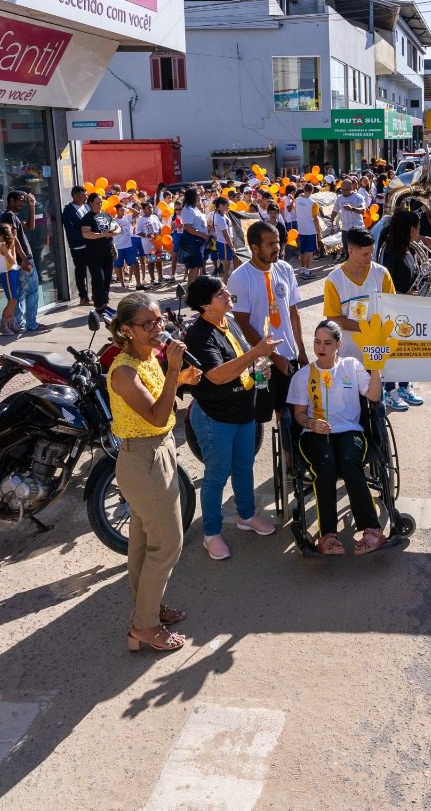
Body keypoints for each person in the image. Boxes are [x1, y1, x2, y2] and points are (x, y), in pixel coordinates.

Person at [106, 292, 201, 652]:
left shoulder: (148, 359)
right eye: (148, 324)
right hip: (142, 461)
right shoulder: (125, 371)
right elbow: (158, 417)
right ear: (127, 330)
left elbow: (160, 400)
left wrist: (181, 379)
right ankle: (144, 627)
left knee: (144, 544)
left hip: (156, 453)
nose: (158, 328)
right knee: (169, 543)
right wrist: (175, 370)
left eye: (160, 320)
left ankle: (147, 609)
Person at [183, 276, 279, 561]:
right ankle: (211, 534)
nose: (227, 293)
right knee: (216, 475)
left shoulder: (229, 322)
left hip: (243, 411)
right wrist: (256, 353)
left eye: (225, 289)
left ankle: (246, 516)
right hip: (215, 416)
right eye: (220, 292)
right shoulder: (199, 335)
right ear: (205, 305)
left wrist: (260, 366)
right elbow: (217, 375)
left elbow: (243, 362)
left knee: (244, 467)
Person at [287, 320, 387, 555]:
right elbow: (299, 415)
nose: (321, 347)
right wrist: (312, 423)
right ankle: (328, 535)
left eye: (328, 343)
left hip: (350, 431)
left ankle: (373, 530)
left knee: (349, 462)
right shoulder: (303, 376)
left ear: (339, 344)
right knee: (326, 464)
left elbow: (373, 395)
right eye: (317, 342)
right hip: (314, 434)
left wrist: (376, 366)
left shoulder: (351, 366)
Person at [230, 221, 308, 435]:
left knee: (291, 415)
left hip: (288, 356)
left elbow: (293, 313)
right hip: (260, 361)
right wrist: (274, 357)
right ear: (254, 248)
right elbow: (243, 324)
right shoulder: (239, 278)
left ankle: (289, 463)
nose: (277, 248)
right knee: (257, 418)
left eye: (278, 242)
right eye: (270, 244)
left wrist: (300, 351)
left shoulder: (285, 268)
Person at [377, 210, 426, 411]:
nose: (419, 232)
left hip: (407, 309)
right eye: (417, 228)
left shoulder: (409, 250)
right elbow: (383, 287)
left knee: (407, 351)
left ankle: (404, 386)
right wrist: (404, 295)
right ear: (410, 229)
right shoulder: (390, 253)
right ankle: (389, 391)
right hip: (393, 310)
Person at [323, 229, 394, 355]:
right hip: (349, 354)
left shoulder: (382, 274)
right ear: (350, 251)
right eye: (365, 254)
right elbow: (333, 318)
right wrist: (365, 328)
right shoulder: (334, 280)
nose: (370, 258)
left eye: (371, 252)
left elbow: (392, 308)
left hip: (378, 353)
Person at [0, 190, 43, 332]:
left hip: (20, 261)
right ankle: (30, 324)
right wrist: (24, 259)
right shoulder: (9, 216)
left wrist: (32, 206)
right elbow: (15, 239)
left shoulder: (11, 217)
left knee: (21, 294)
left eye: (24, 201)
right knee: (31, 291)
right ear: (11, 200)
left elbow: (30, 226)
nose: (22, 203)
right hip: (22, 260)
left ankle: (21, 324)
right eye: (20, 200)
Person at [79, 192, 115, 310]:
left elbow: (114, 228)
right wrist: (102, 235)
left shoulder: (106, 215)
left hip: (107, 252)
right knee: (98, 278)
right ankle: (99, 305)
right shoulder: (87, 218)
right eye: (97, 203)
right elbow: (86, 234)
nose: (99, 205)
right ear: (90, 203)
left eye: (101, 203)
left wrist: (113, 243)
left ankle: (105, 302)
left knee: (108, 278)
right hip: (94, 254)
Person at [61, 186, 92, 305]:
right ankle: (83, 297)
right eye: (84, 195)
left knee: (94, 270)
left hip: (90, 245)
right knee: (81, 272)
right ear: (75, 196)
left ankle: (96, 294)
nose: (86, 197)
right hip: (78, 247)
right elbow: (71, 231)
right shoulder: (68, 211)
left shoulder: (87, 207)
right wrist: (87, 236)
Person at [0, 221, 23, 336]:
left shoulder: (3, 244)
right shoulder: (3, 245)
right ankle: (3, 326)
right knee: (12, 301)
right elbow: (12, 260)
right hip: (7, 273)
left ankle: (11, 322)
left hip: (11, 273)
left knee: (13, 301)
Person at [175, 188, 209, 284]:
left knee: (198, 266)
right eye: (198, 194)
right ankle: (190, 292)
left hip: (199, 241)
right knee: (194, 267)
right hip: (192, 241)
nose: (199, 196)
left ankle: (195, 290)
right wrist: (203, 235)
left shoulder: (194, 208)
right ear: (192, 196)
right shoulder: (187, 209)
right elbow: (188, 227)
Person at [292, 185, 321, 278]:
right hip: (310, 230)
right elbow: (316, 219)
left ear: (304, 189)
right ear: (312, 191)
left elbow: (295, 211)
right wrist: (319, 231)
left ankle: (302, 269)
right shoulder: (313, 203)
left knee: (302, 251)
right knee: (309, 251)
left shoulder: (297, 200)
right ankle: (307, 272)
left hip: (301, 229)